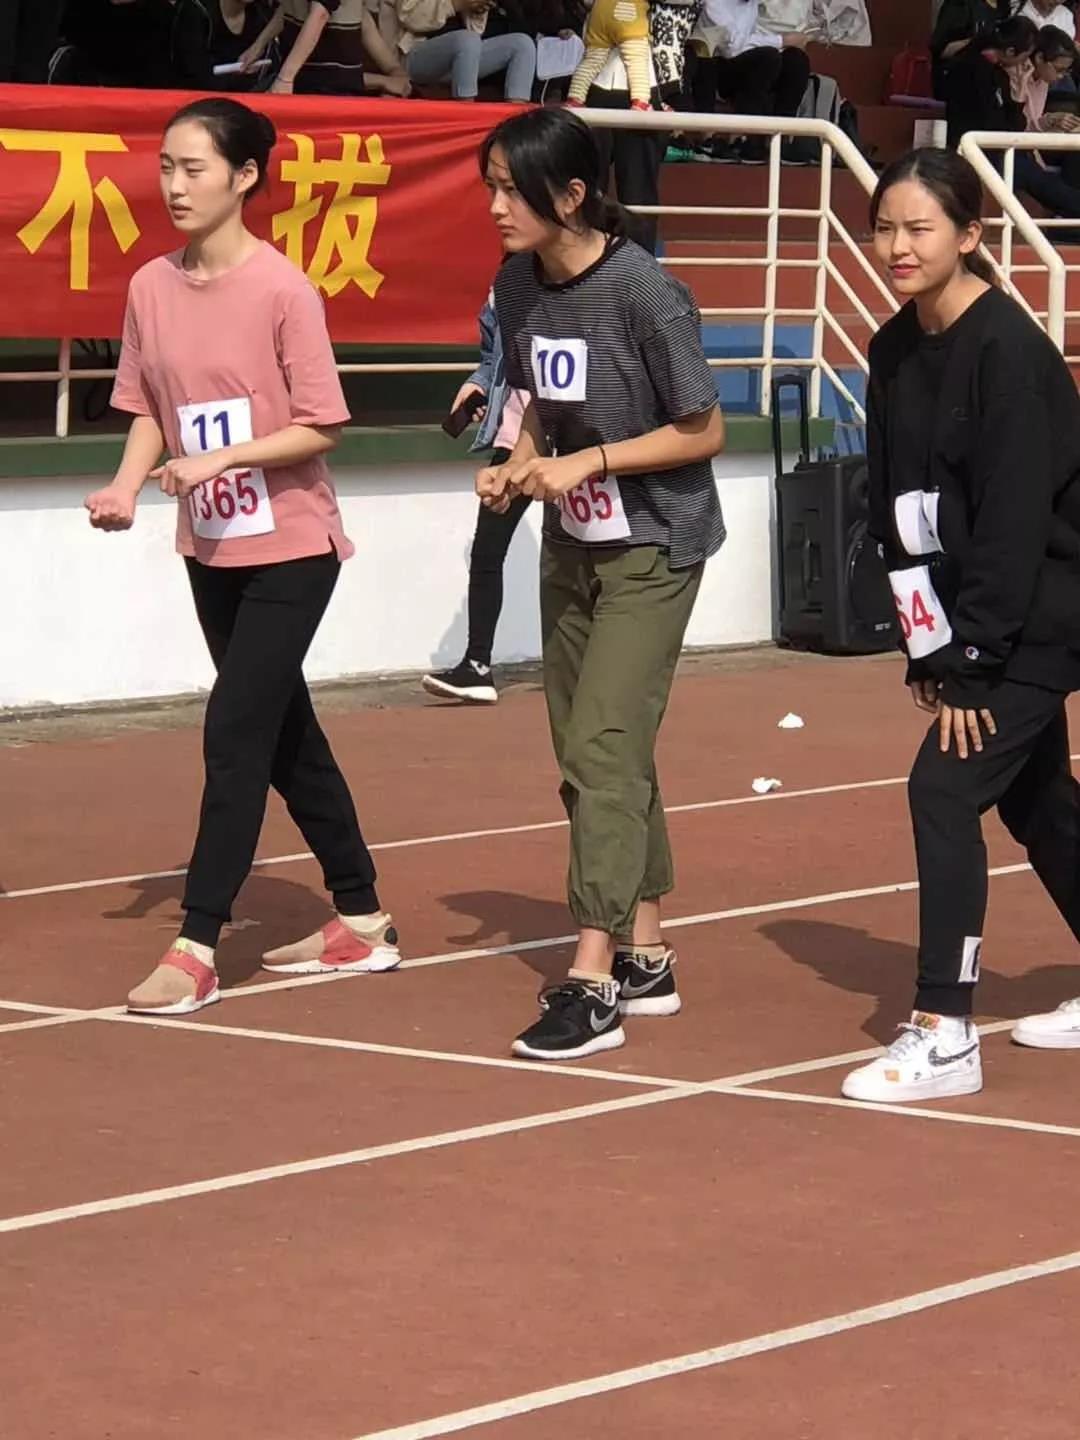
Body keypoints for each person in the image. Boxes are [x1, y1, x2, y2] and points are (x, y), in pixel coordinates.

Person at [84, 98, 399, 1016]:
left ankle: (197, 945)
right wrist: (125, 486)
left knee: (233, 730)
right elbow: (150, 407)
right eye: (166, 167)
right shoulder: (150, 286)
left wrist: (224, 458)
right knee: (284, 735)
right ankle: (362, 918)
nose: (174, 185)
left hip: (293, 545)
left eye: (194, 168)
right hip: (210, 545)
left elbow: (322, 425)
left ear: (246, 176)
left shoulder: (283, 290)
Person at [477, 108, 726, 1060]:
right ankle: (648, 952)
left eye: (513, 189)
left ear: (573, 195)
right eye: (491, 188)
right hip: (572, 542)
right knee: (591, 750)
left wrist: (596, 462)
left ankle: (593, 978)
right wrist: (516, 464)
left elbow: (704, 429)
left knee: (604, 745)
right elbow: (541, 405)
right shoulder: (517, 284)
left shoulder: (644, 291)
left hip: (656, 543)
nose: (496, 207)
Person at [841, 147, 1080, 1104]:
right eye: (884, 229)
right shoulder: (893, 349)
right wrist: (924, 644)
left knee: (941, 790)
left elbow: (1016, 525)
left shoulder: (1009, 355)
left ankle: (945, 1030)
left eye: (919, 229)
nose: (897, 247)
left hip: (1042, 612)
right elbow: (895, 510)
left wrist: (972, 662)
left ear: (971, 235)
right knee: (1037, 802)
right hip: (972, 621)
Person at [422, 284, 532, 705]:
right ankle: (478, 665)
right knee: (487, 551)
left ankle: (594, 662)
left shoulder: (582, 283)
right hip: (514, 438)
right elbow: (492, 359)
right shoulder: (503, 288)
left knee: (580, 552)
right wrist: (479, 385)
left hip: (576, 438)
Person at [687, 0, 813, 164]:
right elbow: (733, 45)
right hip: (714, 66)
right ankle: (742, 137)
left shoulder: (751, 4)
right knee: (768, 58)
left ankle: (780, 138)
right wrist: (782, 40)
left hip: (743, 63)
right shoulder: (715, 3)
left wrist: (789, 42)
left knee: (796, 59)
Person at [388, 0, 536, 100]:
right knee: (468, 40)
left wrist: (478, 7)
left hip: (463, 56)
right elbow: (410, 17)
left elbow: (477, 30)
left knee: (523, 44)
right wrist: (455, 4)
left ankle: (518, 123)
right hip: (416, 55)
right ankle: (467, 119)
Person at [271, 0, 411, 95]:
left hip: (326, 94)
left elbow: (393, 69)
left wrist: (390, 83)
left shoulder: (356, 13)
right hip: (302, 83)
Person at [942, 13, 1038, 147]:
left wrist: (1021, 86)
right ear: (1010, 51)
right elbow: (1005, 130)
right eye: (1025, 56)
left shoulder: (996, 72)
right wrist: (1019, 94)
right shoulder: (973, 69)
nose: (1026, 62)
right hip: (970, 147)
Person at [169, 0, 279, 91]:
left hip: (251, 97)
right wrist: (236, 76)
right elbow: (196, 76)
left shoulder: (262, 13)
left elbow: (271, 68)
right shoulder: (196, 11)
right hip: (200, 101)